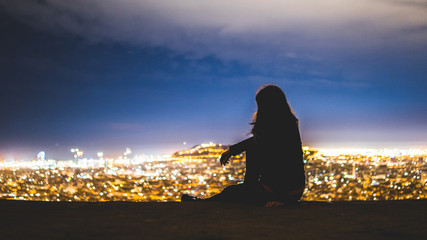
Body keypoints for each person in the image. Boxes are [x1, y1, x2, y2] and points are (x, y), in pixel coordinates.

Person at [181, 84, 306, 207]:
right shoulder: (287, 124)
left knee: (230, 192)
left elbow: (289, 164)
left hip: (283, 192)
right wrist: (232, 150)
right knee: (253, 148)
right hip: (290, 190)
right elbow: (256, 142)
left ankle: (205, 203)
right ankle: (248, 190)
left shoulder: (283, 128)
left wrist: (283, 200)